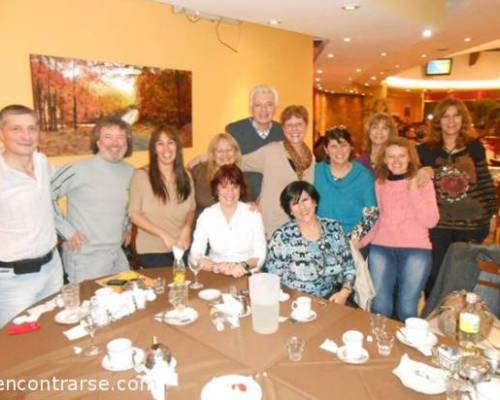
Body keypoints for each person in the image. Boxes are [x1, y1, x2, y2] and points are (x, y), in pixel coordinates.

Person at [417, 98, 497, 297]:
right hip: (438, 224)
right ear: (438, 121)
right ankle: (433, 316)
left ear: (463, 119)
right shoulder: (425, 150)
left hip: (472, 224)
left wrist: (493, 215)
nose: (451, 121)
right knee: (433, 275)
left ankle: (455, 321)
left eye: (456, 115)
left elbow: (485, 183)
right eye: (445, 116)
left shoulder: (475, 147)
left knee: (463, 277)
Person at [361, 137, 439, 321]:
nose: (396, 161)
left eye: (401, 156)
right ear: (384, 160)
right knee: (380, 306)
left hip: (416, 250)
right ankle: (380, 345)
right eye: (391, 156)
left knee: (406, 308)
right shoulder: (380, 183)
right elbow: (379, 217)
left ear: (410, 157)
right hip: (382, 249)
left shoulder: (422, 181)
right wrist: (362, 241)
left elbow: (431, 220)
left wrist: (412, 189)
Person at [0, 105, 63, 327]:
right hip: (13, 281)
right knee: (17, 344)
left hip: (53, 268)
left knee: (52, 331)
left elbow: (64, 185)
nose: (26, 136)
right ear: (1, 133)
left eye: (32, 128)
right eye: (17, 129)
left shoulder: (41, 161)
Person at [51, 116, 134, 283]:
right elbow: (43, 196)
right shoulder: (76, 169)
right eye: (108, 136)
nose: (115, 143)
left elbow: (127, 203)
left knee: (129, 301)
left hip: (116, 254)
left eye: (120, 137)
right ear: (98, 142)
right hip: (85, 258)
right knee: (89, 306)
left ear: (127, 143)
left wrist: (127, 226)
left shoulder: (130, 172)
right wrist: (67, 231)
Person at [266, 181, 355, 303]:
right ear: (290, 211)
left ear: (315, 201)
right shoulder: (282, 237)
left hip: (332, 297)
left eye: (305, 200)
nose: (302, 207)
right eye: (295, 203)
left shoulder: (333, 227)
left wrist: (344, 293)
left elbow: (349, 267)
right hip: (295, 300)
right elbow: (273, 278)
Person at [241, 105, 314, 237]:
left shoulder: (311, 158)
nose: (294, 129)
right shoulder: (271, 151)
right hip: (271, 228)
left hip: (299, 228)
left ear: (306, 126)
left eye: (299, 124)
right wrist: (206, 157)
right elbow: (238, 162)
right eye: (289, 125)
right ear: (283, 129)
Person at [129, 126, 195, 268]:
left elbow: (191, 209)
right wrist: (164, 236)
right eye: (160, 143)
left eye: (170, 142)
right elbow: (134, 215)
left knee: (184, 288)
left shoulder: (186, 176)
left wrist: (187, 229)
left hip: (181, 247)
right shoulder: (141, 176)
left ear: (177, 147)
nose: (166, 149)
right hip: (152, 251)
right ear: (154, 149)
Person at [191, 164, 266, 277]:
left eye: (234, 187)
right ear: (216, 189)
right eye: (224, 187)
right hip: (215, 273)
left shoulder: (253, 215)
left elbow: (260, 254)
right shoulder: (207, 215)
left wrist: (242, 266)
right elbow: (195, 254)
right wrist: (214, 267)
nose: (230, 193)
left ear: (240, 189)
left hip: (246, 273)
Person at [314, 126, 378, 244]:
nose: (339, 151)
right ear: (326, 150)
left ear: (351, 147)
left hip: (353, 240)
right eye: (333, 146)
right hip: (320, 238)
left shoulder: (364, 175)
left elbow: (371, 213)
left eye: (343, 145)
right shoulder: (315, 172)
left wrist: (353, 239)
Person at [226, 84, 284, 200]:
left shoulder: (283, 132)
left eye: (269, 105)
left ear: (275, 108)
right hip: (243, 202)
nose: (264, 110)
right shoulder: (235, 130)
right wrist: (203, 158)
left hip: (275, 201)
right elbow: (223, 157)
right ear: (250, 107)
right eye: (258, 105)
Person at [191, 133, 249, 217]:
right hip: (202, 225)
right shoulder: (199, 171)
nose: (225, 155)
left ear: (235, 153)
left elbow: (247, 205)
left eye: (229, 150)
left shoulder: (242, 177)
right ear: (213, 154)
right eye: (220, 151)